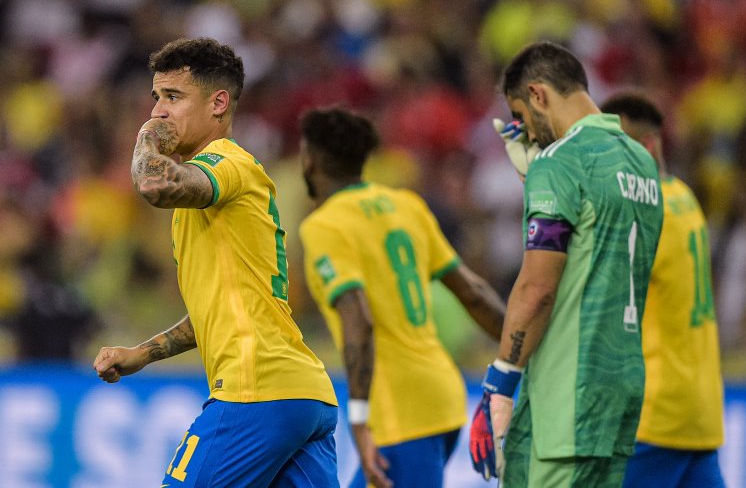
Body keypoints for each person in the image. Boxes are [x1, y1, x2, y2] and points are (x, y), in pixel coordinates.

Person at [91, 38, 339, 487]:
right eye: (156, 99)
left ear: (219, 103)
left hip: (256, 392)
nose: (158, 111)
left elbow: (153, 185)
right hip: (304, 396)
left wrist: (147, 135)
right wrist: (143, 354)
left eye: (173, 97)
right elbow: (221, 305)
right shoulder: (208, 202)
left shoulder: (226, 162)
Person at [468, 42, 664, 487]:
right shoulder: (641, 162)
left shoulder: (560, 163)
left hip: (565, 392)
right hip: (619, 386)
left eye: (521, 115)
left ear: (538, 94)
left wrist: (500, 381)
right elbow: (598, 251)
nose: (527, 132)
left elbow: (538, 287)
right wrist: (535, 178)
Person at [297, 106, 506, 488]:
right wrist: (523, 357)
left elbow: (358, 319)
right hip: (440, 393)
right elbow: (473, 293)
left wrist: (358, 419)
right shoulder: (407, 205)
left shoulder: (324, 225)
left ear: (310, 160)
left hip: (401, 411)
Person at [600, 93, 726, 488]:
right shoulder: (685, 198)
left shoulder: (648, 208)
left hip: (654, 417)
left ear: (649, 146)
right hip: (698, 411)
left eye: (618, 148)